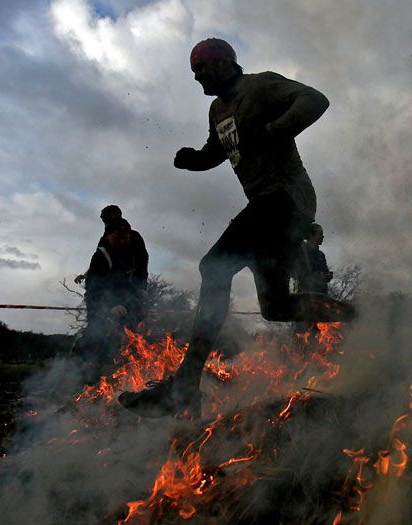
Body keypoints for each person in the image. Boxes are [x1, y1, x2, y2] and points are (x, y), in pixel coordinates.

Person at [119, 38, 354, 416]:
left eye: (202, 69)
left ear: (226, 63)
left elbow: (315, 100)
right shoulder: (217, 110)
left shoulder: (258, 85)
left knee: (214, 266)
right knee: (276, 308)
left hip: (286, 198)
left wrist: (277, 129)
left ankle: (185, 385)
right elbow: (220, 150)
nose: (197, 78)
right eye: (193, 72)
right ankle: (363, 318)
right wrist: (195, 160)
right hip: (268, 207)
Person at [76, 218, 147, 369]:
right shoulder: (100, 257)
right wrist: (109, 307)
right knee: (97, 336)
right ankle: (87, 371)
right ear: (108, 236)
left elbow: (130, 279)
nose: (122, 241)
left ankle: (128, 368)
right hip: (100, 304)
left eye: (125, 238)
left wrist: (141, 290)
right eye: (117, 238)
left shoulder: (130, 249)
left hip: (122, 301)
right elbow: (94, 291)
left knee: (134, 329)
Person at [297, 223, 334, 295]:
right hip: (306, 293)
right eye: (320, 234)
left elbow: (325, 271)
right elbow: (299, 273)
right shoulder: (302, 250)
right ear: (311, 234)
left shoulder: (321, 255)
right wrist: (318, 275)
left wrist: (328, 275)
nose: (322, 237)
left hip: (321, 294)